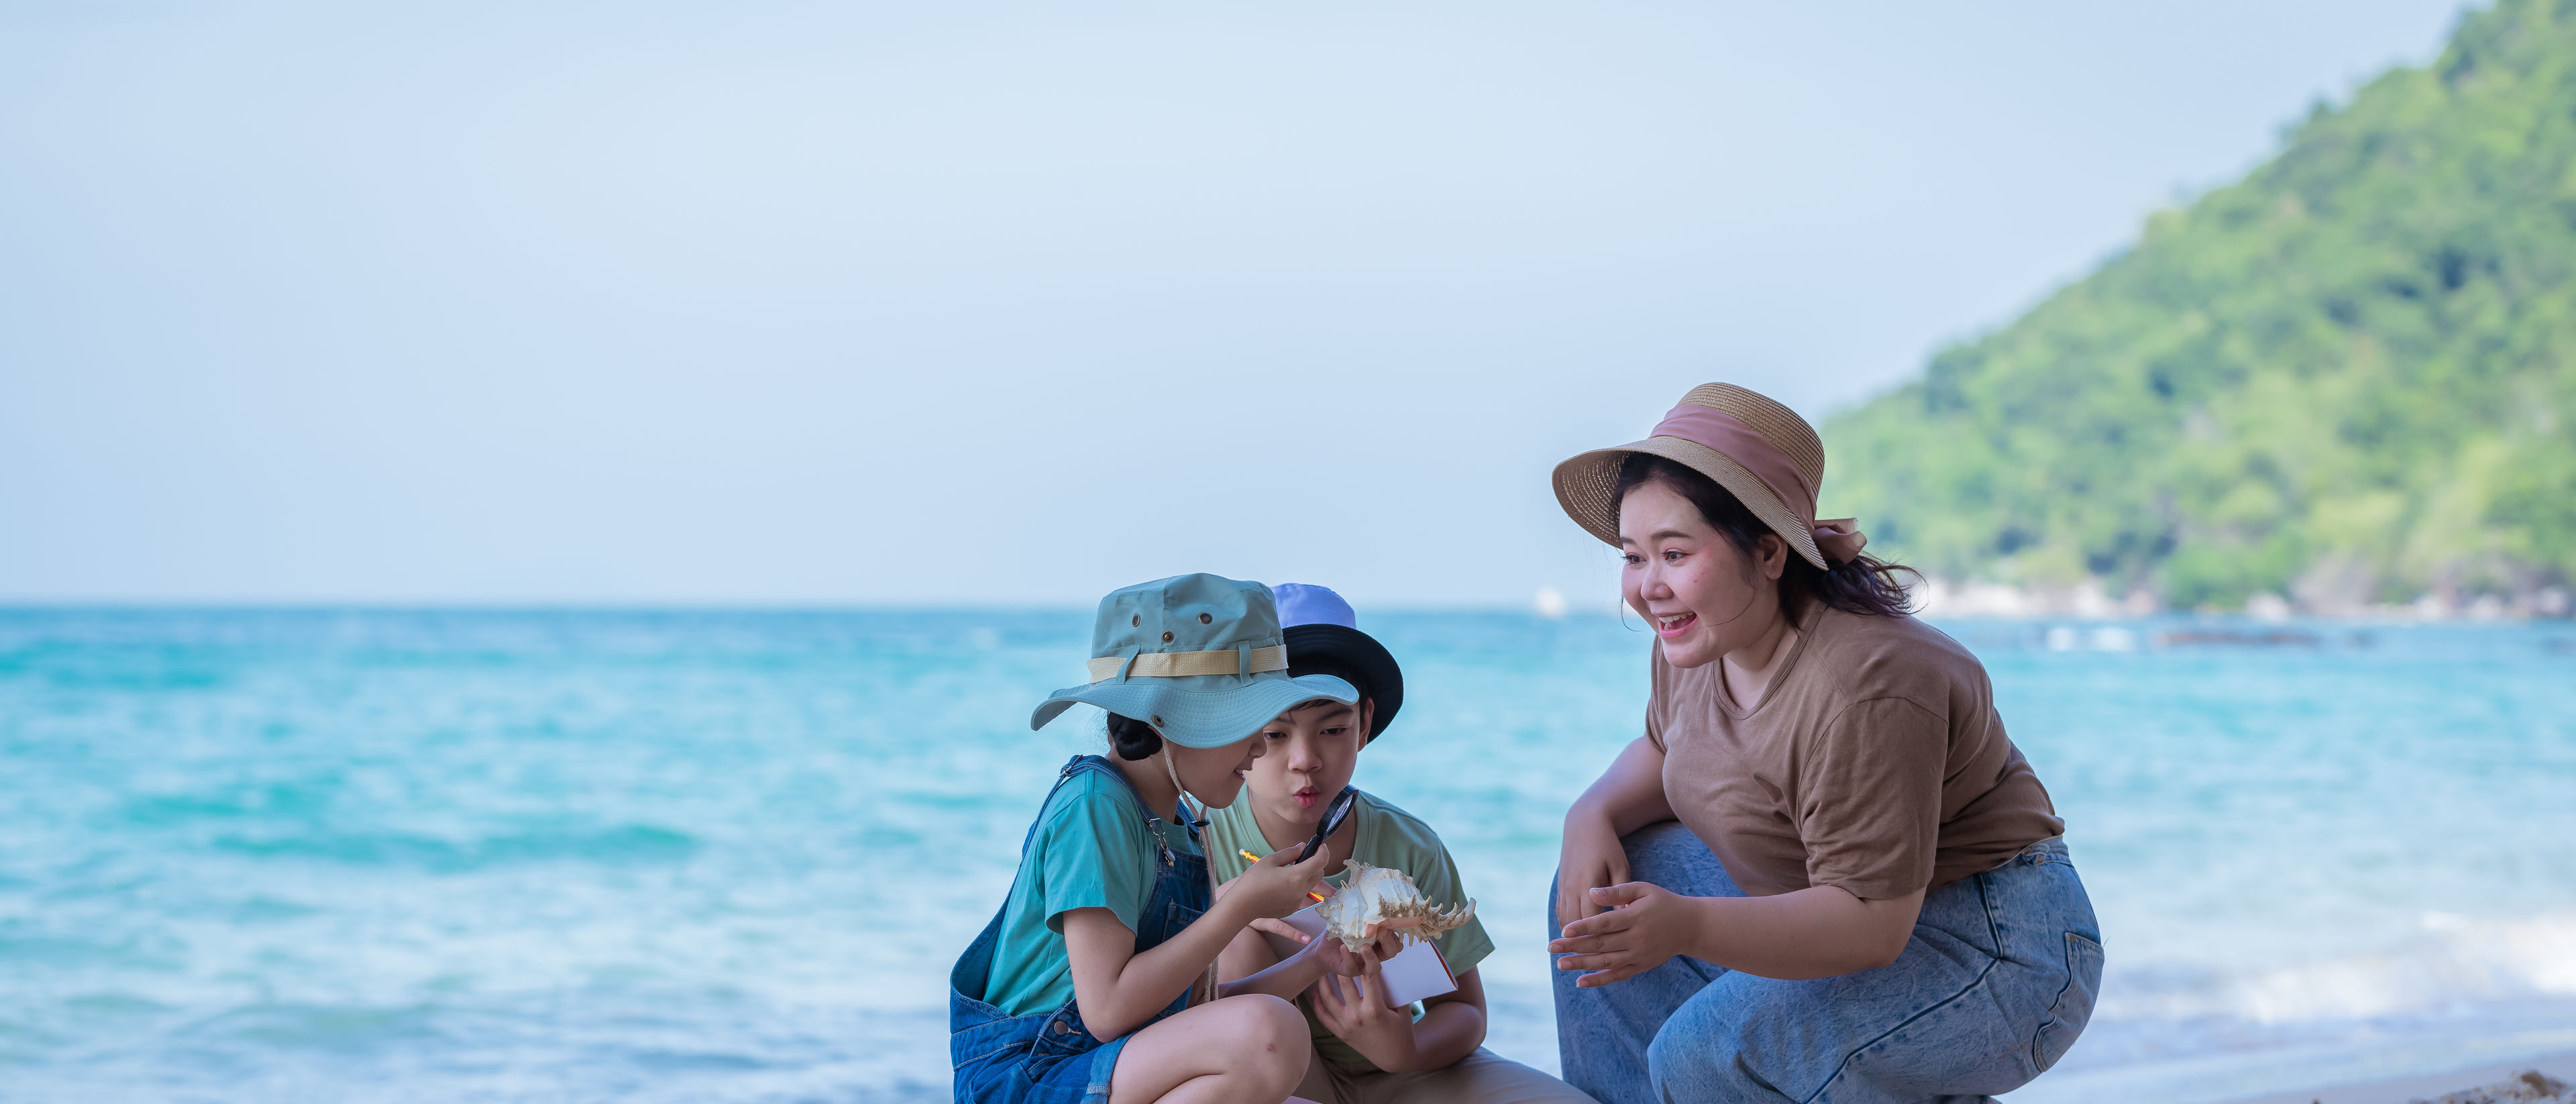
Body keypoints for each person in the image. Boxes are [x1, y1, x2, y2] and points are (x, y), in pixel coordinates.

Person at [1543, 384, 2104, 1103]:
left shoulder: (1868, 682)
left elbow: (1870, 925)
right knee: (1593, 900)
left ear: (1769, 552)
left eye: (1675, 552)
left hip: (2002, 949)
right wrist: (1586, 815)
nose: (1649, 587)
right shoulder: (1696, 635)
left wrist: (1685, 923)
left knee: (1706, 1052)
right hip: (1835, 898)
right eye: (1633, 556)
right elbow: (1665, 749)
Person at [951, 573, 1389, 1104]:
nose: (1260, 747)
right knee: (1272, 1035)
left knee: (1270, 1041)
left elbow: (1190, 1016)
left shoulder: (1177, 820)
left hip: (1102, 1069)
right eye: (1251, 722)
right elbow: (1109, 1010)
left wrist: (1318, 959)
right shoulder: (1095, 807)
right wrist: (1240, 906)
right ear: (1175, 717)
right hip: (1034, 1077)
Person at [1207, 584, 1599, 1104]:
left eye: (1333, 729)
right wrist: (1225, 909)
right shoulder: (1201, 835)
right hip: (1272, 1073)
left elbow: (1464, 1012)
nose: (1305, 760)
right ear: (1239, 730)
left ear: (1365, 722)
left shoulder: (1407, 846)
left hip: (1399, 1068)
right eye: (1276, 734)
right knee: (1230, 937)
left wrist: (1405, 1051)